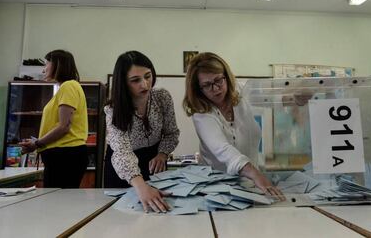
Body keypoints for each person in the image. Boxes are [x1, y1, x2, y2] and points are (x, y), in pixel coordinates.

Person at [183, 52, 284, 199]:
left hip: (253, 185)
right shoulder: (201, 115)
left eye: (219, 80)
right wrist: (255, 174)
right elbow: (223, 149)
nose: (216, 88)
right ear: (198, 89)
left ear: (226, 76)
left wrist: (292, 97)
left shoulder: (242, 91)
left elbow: (271, 98)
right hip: (218, 188)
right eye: (207, 85)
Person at [104, 50, 180, 213]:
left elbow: (171, 133)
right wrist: (141, 186)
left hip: (154, 161)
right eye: (135, 80)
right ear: (123, 83)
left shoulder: (162, 97)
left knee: (158, 211)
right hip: (122, 166)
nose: (145, 84)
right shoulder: (113, 109)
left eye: (148, 76)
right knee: (121, 215)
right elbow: (122, 153)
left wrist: (162, 154)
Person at [19, 49, 88, 188]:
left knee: (57, 204)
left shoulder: (69, 86)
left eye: (46, 64)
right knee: (58, 203)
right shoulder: (65, 87)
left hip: (65, 156)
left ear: (57, 64)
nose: (44, 69)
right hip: (62, 155)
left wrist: (37, 144)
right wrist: (37, 142)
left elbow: (63, 126)